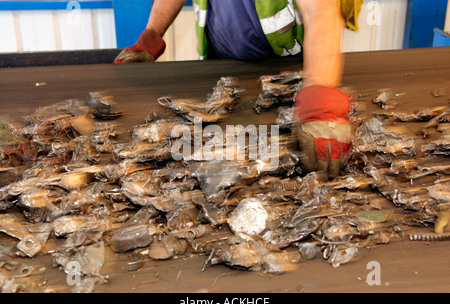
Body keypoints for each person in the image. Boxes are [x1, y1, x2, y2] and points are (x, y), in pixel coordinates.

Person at [114, 0, 362, 179]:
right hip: (222, 69)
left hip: (285, 77)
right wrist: (152, 34)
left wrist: (320, 100)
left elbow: (322, 11)